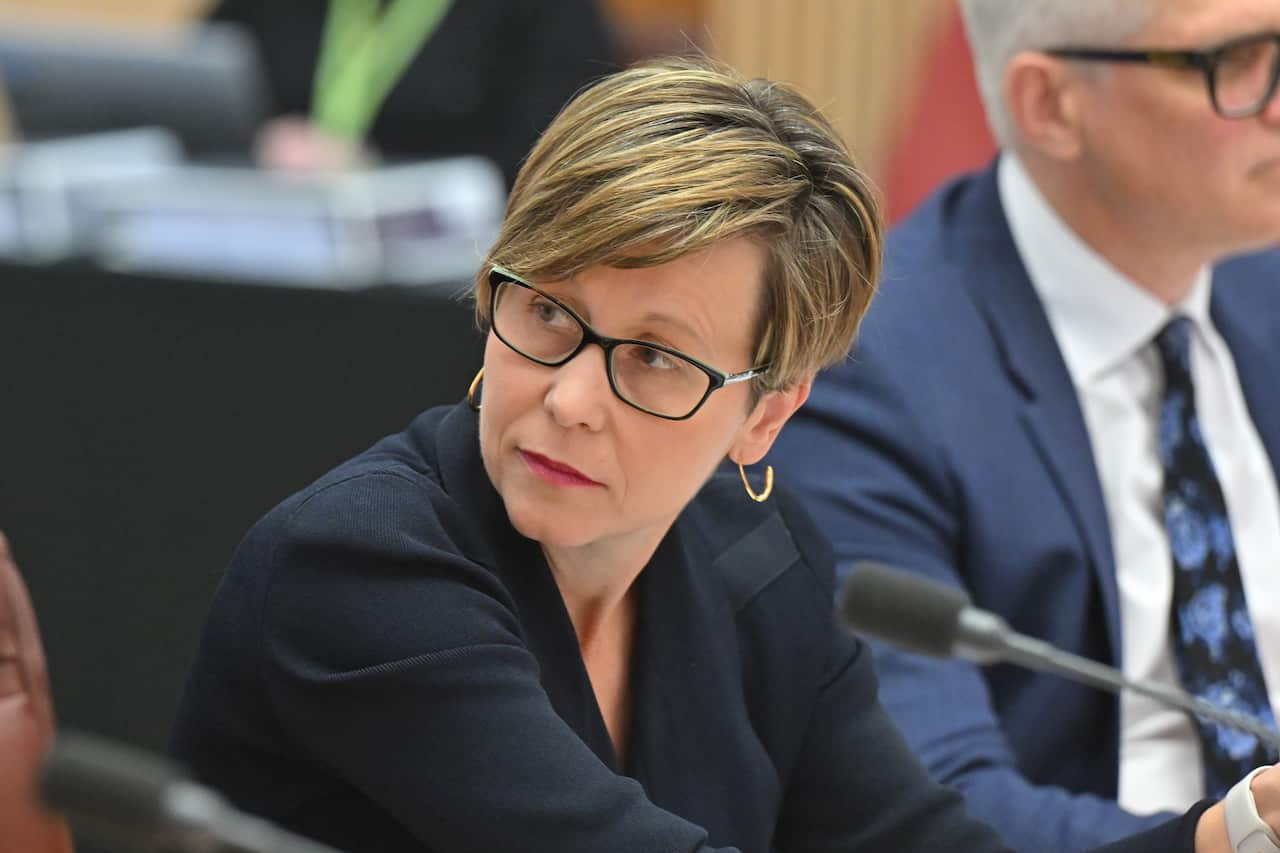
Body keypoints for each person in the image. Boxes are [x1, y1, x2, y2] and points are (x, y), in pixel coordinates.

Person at [171, 55, 1274, 853]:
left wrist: (1238, 827)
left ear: (764, 414)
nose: (566, 399)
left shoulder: (756, 556)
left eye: (654, 360)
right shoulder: (358, 568)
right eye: (547, 314)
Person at [770, 0, 1280, 850]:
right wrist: (1244, 833)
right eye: (1232, 60)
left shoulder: (1261, 278)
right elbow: (934, 810)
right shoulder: (867, 379)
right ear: (1051, 104)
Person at [210, 0, 620, 182]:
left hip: (453, 274)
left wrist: (380, 174)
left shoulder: (548, 11)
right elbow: (201, 87)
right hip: (276, 228)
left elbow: (556, 166)